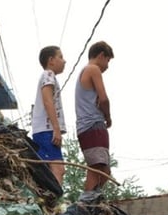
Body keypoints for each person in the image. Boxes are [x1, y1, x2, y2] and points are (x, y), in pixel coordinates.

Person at [75, 41, 114, 192]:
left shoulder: (84, 72)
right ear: (101, 55)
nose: (107, 66)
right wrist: (108, 117)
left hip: (86, 127)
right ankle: (85, 204)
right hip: (93, 125)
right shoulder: (93, 69)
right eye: (108, 60)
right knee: (98, 170)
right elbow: (104, 99)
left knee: (102, 170)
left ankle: (91, 202)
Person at [31, 45, 67, 185]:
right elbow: (48, 101)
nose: (64, 61)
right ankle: (53, 204)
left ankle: (47, 200)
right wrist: (56, 129)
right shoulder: (48, 75)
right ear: (51, 60)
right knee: (57, 169)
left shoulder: (48, 76)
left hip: (45, 131)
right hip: (46, 130)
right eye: (61, 57)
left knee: (48, 169)